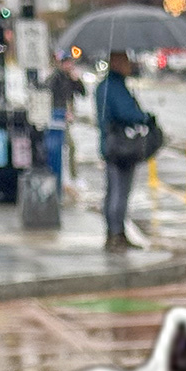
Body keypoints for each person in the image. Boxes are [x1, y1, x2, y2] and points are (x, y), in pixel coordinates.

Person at [95, 51, 150, 252]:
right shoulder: (115, 87)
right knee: (119, 192)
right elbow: (127, 112)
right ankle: (116, 234)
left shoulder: (104, 86)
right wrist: (144, 117)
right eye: (126, 61)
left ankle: (115, 233)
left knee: (113, 191)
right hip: (120, 146)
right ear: (117, 63)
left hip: (110, 144)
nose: (129, 65)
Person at [45, 51, 85, 198]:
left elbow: (82, 92)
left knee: (68, 148)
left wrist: (76, 80)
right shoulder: (55, 77)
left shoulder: (69, 77)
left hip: (65, 118)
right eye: (66, 62)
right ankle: (67, 179)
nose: (69, 65)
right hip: (58, 119)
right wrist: (62, 111)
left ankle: (71, 177)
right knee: (67, 146)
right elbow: (48, 94)